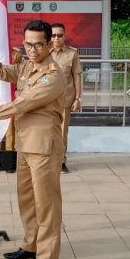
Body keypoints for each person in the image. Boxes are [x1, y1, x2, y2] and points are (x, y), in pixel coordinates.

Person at [0, 20, 65, 259]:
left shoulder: (53, 75)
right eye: (27, 44)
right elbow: (0, 72)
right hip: (25, 145)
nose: (32, 50)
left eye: (38, 44)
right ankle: (31, 244)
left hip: (44, 147)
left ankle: (48, 257)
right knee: (26, 199)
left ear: (48, 45)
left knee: (46, 203)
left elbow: (22, 104)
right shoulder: (26, 67)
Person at [50, 23, 83, 174]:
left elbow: (76, 76)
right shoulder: (44, 53)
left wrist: (78, 98)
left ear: (64, 36)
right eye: (53, 35)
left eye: (59, 35)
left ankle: (61, 162)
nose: (56, 38)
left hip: (65, 101)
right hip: (46, 101)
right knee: (46, 132)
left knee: (62, 133)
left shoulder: (72, 54)